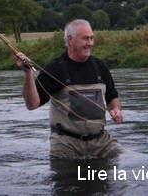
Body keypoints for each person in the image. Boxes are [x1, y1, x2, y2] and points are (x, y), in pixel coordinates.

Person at [15, 19, 123, 159]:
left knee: (129, 162)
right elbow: (32, 104)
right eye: (85, 38)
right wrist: (28, 73)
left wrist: (116, 109)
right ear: (70, 40)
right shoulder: (54, 68)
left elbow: (112, 97)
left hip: (101, 141)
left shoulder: (100, 66)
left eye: (91, 38)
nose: (90, 43)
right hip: (66, 144)